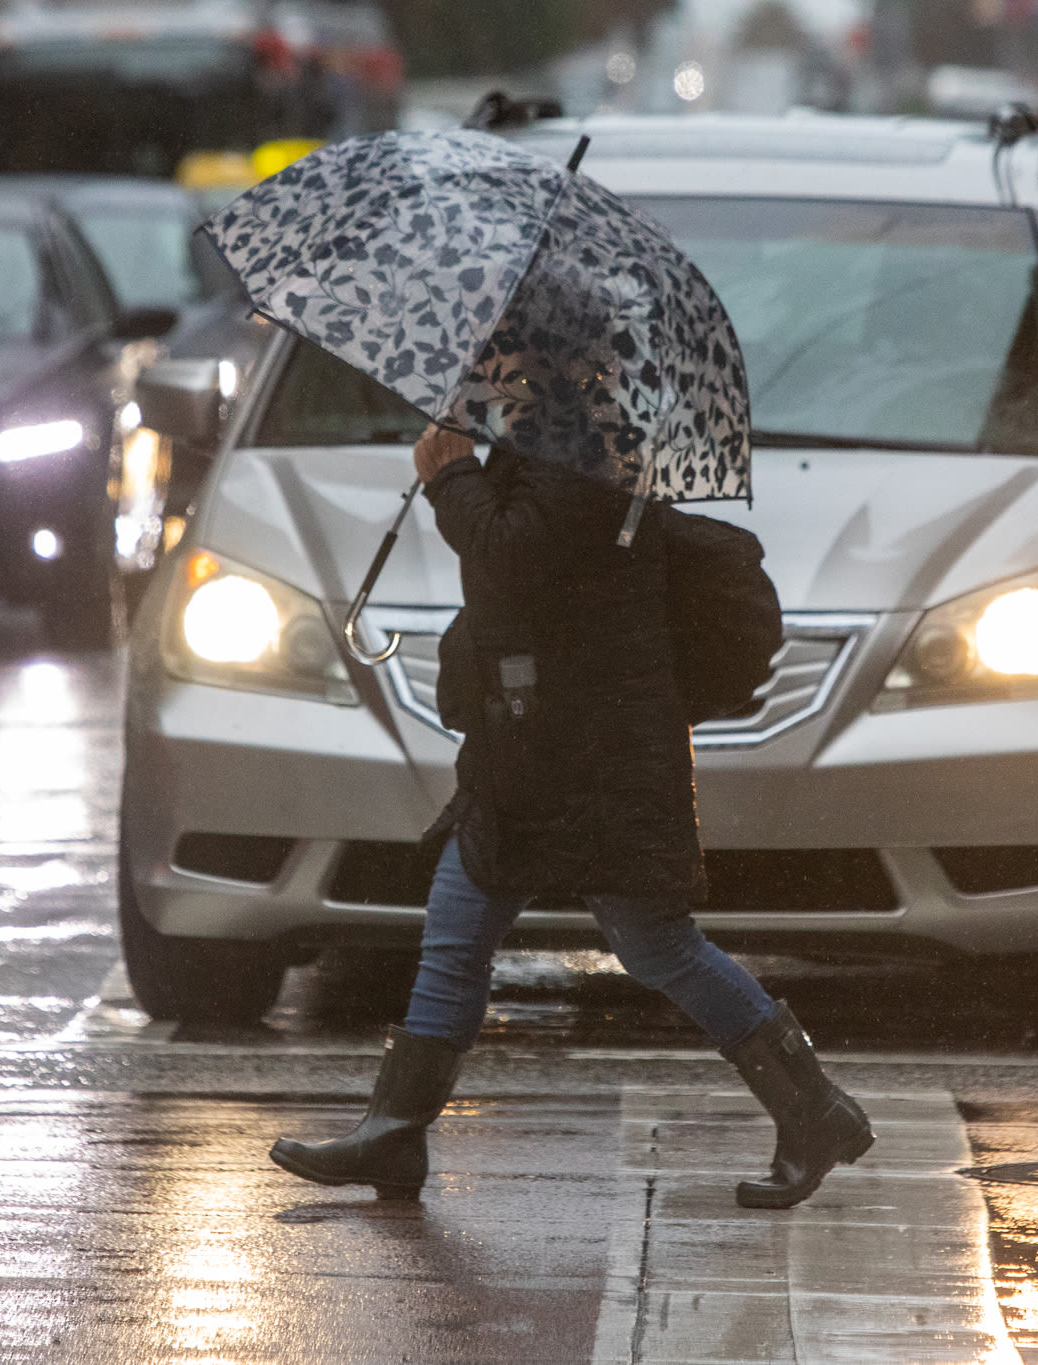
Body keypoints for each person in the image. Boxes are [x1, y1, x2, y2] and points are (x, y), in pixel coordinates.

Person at [268, 424, 872, 1209]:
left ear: (543, 352)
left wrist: (450, 475)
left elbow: (512, 557)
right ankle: (394, 1131)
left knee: (659, 947)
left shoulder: (584, 451)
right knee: (458, 921)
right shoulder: (541, 444)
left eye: (502, 350)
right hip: (529, 750)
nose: (488, 364)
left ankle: (815, 1109)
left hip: (597, 762)